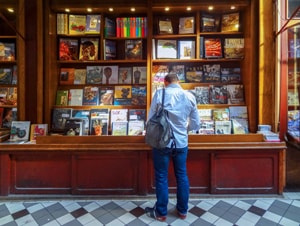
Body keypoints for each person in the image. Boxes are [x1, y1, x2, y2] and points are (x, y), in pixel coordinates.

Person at [145, 73, 200, 222]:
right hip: (181, 142)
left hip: (162, 142)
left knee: (161, 176)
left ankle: (161, 213)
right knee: (182, 176)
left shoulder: (160, 93)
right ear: (178, 81)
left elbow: (150, 120)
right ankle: (182, 211)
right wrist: (183, 129)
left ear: (165, 82)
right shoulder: (189, 96)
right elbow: (196, 124)